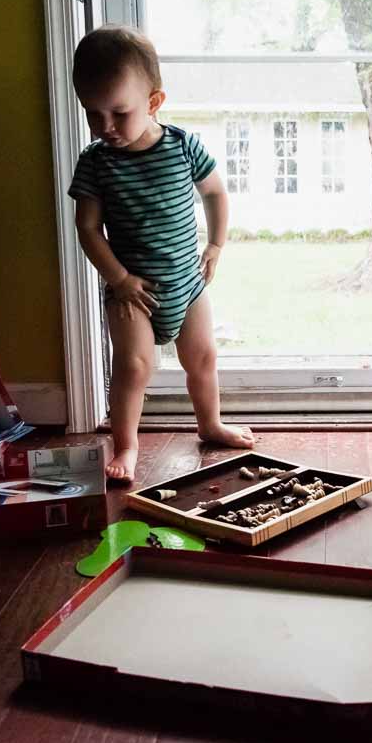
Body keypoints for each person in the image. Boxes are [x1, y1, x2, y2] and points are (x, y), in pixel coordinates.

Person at [68, 25, 254, 483]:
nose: (105, 126)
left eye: (119, 112)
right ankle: (127, 446)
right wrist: (118, 279)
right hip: (132, 292)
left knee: (203, 357)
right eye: (93, 114)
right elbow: (87, 228)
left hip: (188, 285)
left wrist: (216, 244)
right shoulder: (97, 161)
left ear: (154, 102)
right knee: (134, 366)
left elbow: (215, 193)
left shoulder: (183, 147)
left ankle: (210, 424)